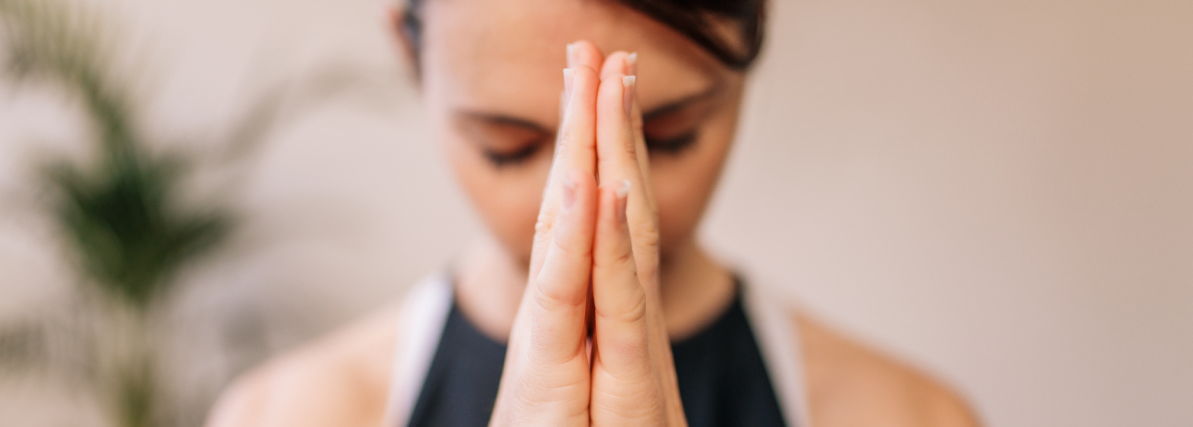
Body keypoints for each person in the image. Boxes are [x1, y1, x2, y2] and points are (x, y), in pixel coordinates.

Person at [206, 0, 979, 425]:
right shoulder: (286, 415)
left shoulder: (909, 416)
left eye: (666, 138)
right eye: (508, 146)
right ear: (412, 52)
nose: (586, 200)